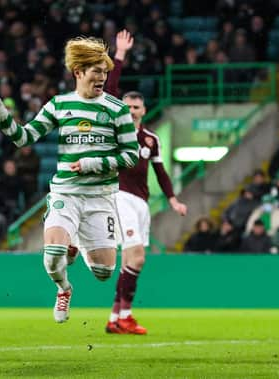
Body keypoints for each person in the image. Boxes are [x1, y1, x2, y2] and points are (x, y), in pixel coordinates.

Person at [0, 36, 139, 323]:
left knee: (104, 273)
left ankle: (77, 241)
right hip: (65, 192)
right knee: (54, 252)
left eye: (105, 72)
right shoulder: (59, 104)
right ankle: (64, 288)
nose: (102, 77)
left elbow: (131, 155)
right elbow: (24, 137)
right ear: (78, 72)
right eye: (96, 71)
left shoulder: (117, 109)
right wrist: (1, 113)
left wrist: (95, 163)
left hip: (100, 196)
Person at [101, 30, 187, 334]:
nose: (131, 110)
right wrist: (120, 55)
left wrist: (173, 198)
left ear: (143, 111)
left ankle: (115, 319)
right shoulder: (117, 130)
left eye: (136, 107)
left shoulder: (151, 139)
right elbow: (110, 90)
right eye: (128, 106)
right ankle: (126, 314)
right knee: (135, 255)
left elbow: (161, 172)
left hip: (141, 201)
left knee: (137, 259)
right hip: (120, 196)